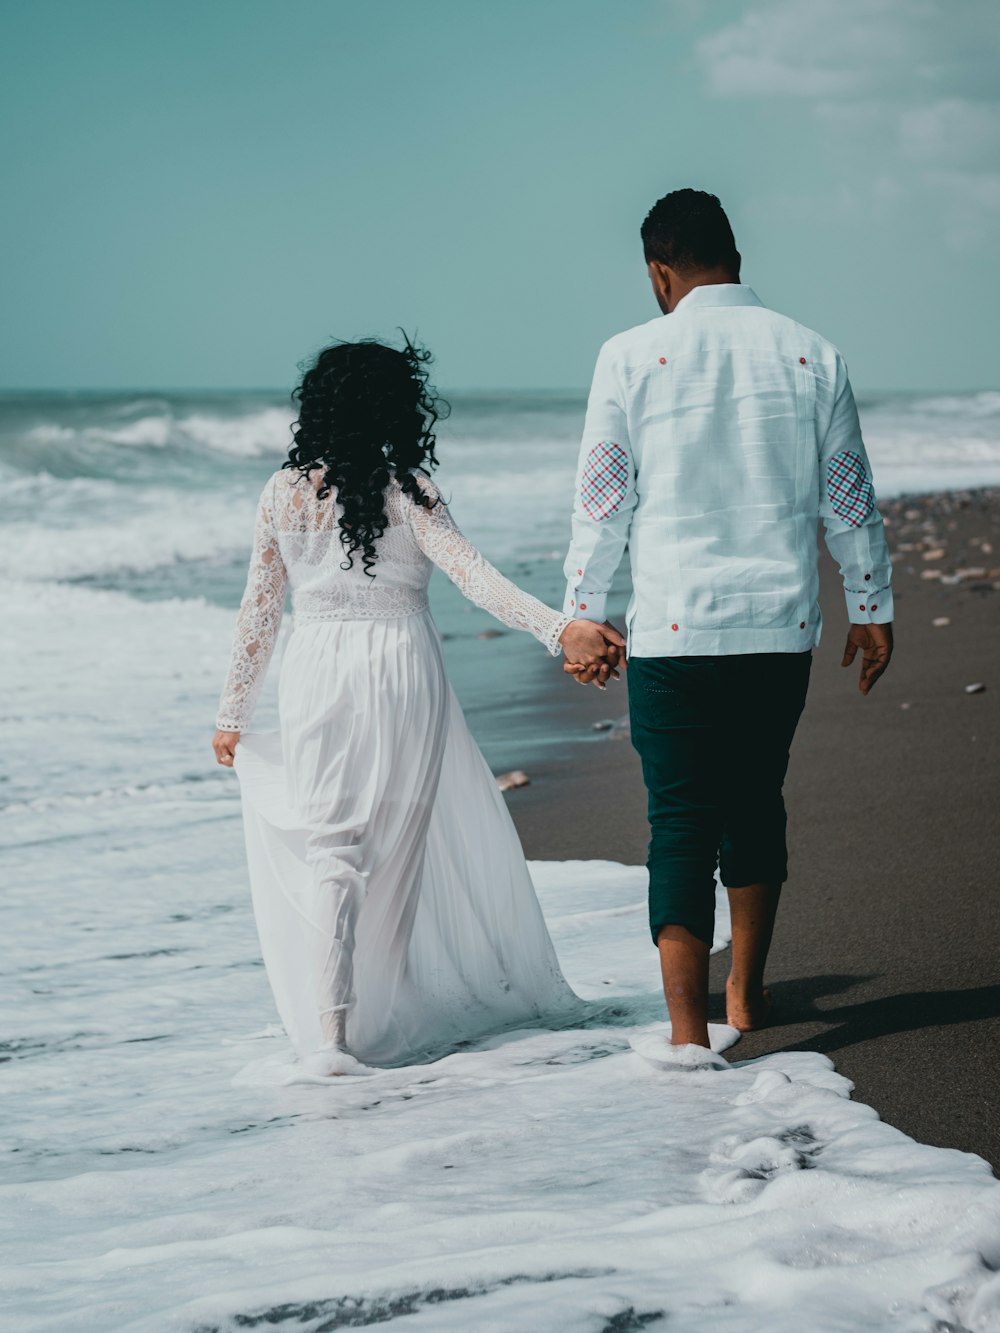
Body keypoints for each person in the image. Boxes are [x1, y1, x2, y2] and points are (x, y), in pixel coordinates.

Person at [212, 337, 624, 1076]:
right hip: (402, 667)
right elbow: (476, 578)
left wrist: (231, 710)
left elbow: (259, 612)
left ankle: (332, 1034)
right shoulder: (411, 488)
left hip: (315, 670)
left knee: (331, 845)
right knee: (394, 850)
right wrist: (559, 628)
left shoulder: (281, 493)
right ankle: (372, 1018)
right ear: (396, 408)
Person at [561, 188, 894, 1052]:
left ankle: (685, 1033)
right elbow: (848, 492)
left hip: (674, 631)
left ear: (660, 271)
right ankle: (744, 991)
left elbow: (603, 500)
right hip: (777, 626)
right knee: (755, 802)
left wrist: (582, 614)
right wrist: (870, 604)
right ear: (735, 258)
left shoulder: (630, 356)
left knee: (678, 819)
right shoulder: (812, 352)